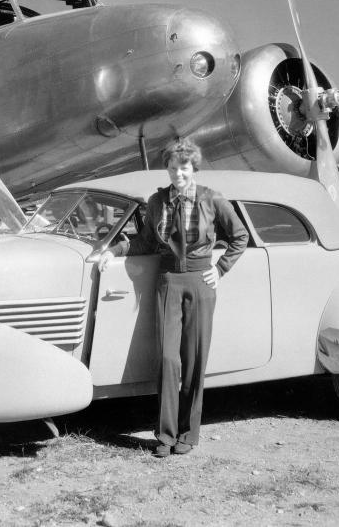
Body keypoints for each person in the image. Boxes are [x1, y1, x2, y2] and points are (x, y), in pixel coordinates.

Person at [99, 138, 248, 457]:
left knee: (195, 359)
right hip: (167, 281)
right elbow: (145, 242)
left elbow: (240, 236)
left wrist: (220, 269)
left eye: (183, 167)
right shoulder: (157, 202)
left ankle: (188, 434)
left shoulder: (212, 199)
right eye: (171, 167)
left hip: (200, 282)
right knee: (168, 359)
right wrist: (113, 251)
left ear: (193, 167)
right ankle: (164, 435)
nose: (177, 173)